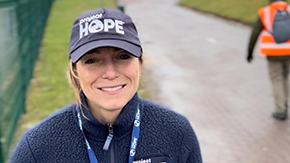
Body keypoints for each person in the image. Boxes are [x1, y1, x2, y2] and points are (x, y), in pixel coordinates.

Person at [10, 8, 202, 163]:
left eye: (123, 57)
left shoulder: (176, 132)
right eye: (92, 60)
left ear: (140, 65)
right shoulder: (37, 147)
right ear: (75, 71)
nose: (110, 73)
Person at [247, 0, 290, 120]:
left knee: (277, 79)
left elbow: (255, 33)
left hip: (273, 53)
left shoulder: (265, 12)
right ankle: (285, 103)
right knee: (285, 77)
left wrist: (249, 52)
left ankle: (280, 110)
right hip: (289, 52)